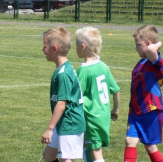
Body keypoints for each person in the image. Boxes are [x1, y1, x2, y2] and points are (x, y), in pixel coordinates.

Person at [41, 27, 86, 162]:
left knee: (65, 159)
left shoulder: (64, 74)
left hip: (69, 123)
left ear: (54, 49)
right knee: (48, 156)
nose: (43, 50)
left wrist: (49, 128)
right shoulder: (63, 69)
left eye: (44, 47)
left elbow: (61, 104)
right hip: (63, 123)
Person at [75, 27, 120, 162]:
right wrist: (115, 109)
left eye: (76, 45)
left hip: (91, 117)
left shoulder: (84, 70)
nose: (75, 48)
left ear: (82, 47)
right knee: (86, 146)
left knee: (96, 152)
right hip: (104, 115)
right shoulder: (103, 66)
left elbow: (77, 95)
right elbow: (116, 90)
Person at [124, 25, 163, 162]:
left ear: (148, 44)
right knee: (130, 140)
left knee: (150, 146)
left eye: (138, 45)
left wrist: (158, 43)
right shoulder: (141, 63)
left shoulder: (156, 63)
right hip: (136, 112)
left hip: (150, 111)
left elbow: (150, 49)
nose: (136, 48)